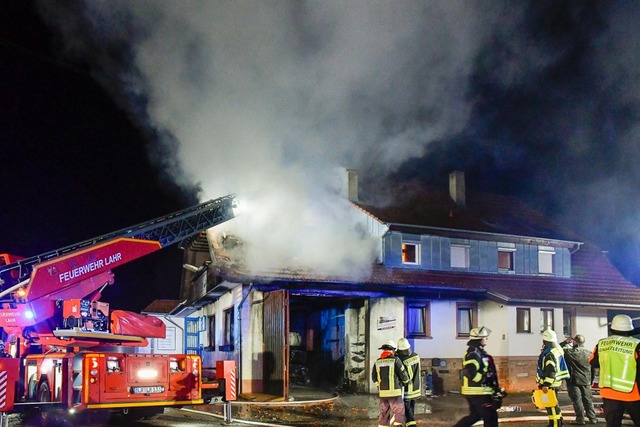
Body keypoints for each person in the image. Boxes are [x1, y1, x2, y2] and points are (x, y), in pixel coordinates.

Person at [589, 314, 640, 427]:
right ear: (629, 329)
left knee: (613, 424)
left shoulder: (601, 344)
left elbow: (593, 362)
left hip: (609, 393)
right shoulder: (636, 345)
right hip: (631, 393)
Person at [453, 326, 504, 427]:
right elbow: (470, 373)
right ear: (479, 339)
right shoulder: (473, 353)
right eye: (485, 337)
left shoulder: (478, 352)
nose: (487, 339)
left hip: (479, 391)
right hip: (477, 392)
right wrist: (486, 378)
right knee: (490, 416)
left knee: (475, 416)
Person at [560, 334, 598, 424]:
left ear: (575, 342)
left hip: (573, 381)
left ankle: (580, 419)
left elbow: (557, 349)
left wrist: (565, 342)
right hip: (586, 380)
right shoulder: (589, 353)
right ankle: (593, 418)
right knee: (587, 400)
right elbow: (593, 369)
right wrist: (591, 380)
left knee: (577, 400)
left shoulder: (569, 353)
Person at [371, 339, 409, 427]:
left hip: (383, 393)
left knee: (384, 413)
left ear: (383, 350)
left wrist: (379, 386)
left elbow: (374, 377)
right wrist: (405, 382)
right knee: (398, 412)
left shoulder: (377, 362)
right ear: (392, 350)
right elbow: (403, 374)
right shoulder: (396, 360)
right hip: (395, 393)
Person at [538, 329, 571, 427]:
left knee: (551, 406)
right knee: (555, 405)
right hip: (556, 382)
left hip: (550, 383)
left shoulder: (549, 354)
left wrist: (546, 385)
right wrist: (565, 342)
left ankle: (555, 424)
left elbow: (551, 371)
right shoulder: (557, 349)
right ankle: (559, 422)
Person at [396, 337, 422, 427]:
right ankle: (409, 424)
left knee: (408, 411)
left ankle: (412, 425)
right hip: (416, 388)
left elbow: (402, 375)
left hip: (406, 389)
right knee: (411, 409)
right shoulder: (416, 356)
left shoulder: (400, 359)